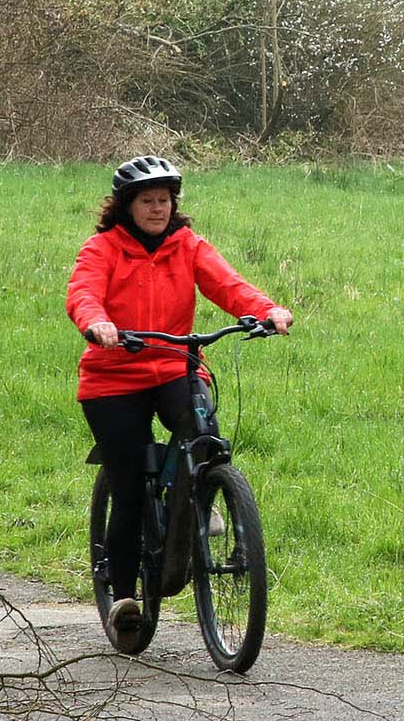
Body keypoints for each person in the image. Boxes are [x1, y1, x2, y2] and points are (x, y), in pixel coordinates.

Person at [65, 155, 292, 643]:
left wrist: (266, 310)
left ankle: (199, 497)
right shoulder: (102, 249)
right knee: (127, 485)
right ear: (127, 206)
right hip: (113, 375)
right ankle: (125, 598)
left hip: (173, 365)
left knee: (203, 432)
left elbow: (228, 284)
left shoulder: (187, 245)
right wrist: (97, 323)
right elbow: (83, 294)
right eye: (147, 201)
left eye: (164, 200)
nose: (157, 209)